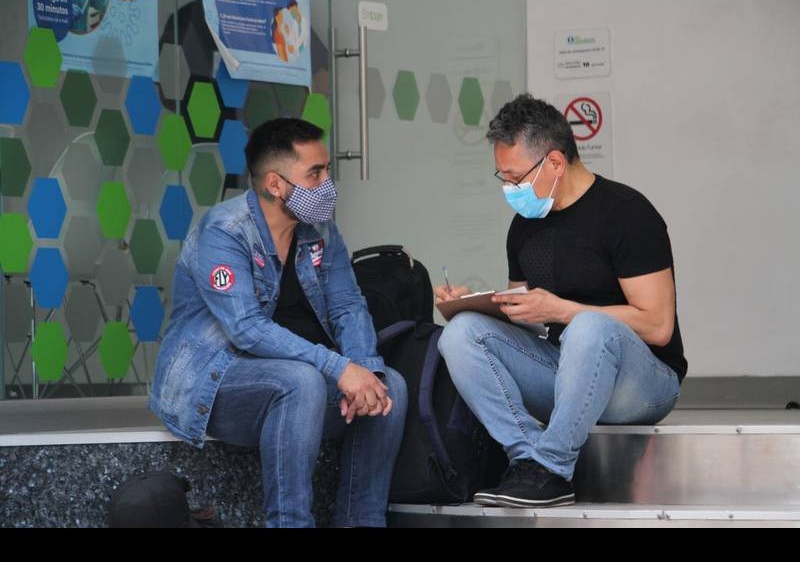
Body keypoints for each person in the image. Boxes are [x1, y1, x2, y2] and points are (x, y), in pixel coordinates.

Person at [150, 118, 407, 527]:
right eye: (315, 173)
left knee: (389, 384)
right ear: (275, 184)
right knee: (301, 380)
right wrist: (339, 368)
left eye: (327, 171)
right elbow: (246, 328)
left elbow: (347, 304)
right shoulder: (224, 231)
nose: (327, 184)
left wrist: (364, 369)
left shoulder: (321, 230)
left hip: (290, 382)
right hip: (212, 382)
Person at [436, 94, 687, 508]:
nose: (509, 190)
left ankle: (553, 469)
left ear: (554, 162)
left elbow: (658, 326)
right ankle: (527, 461)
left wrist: (564, 311)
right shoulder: (525, 226)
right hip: (567, 375)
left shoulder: (627, 213)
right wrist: (473, 305)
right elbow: (527, 315)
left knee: (588, 327)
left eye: (515, 178)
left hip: (643, 384)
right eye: (503, 178)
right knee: (461, 333)